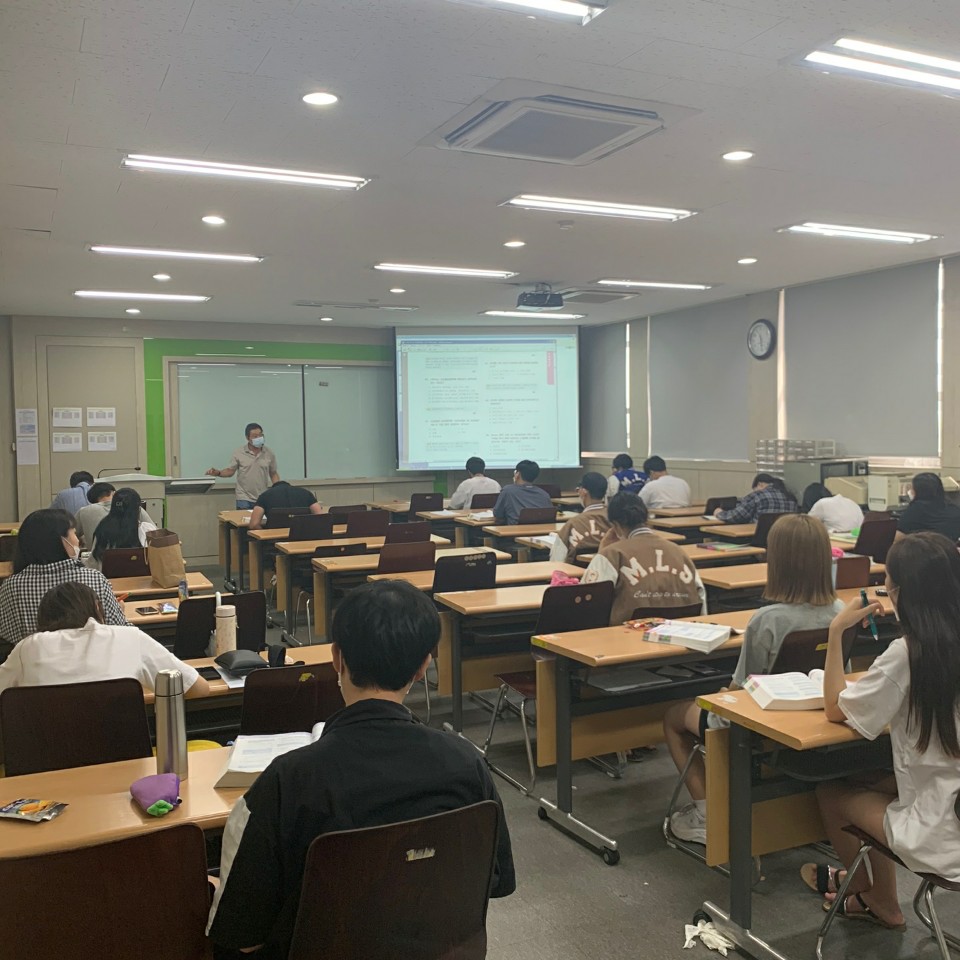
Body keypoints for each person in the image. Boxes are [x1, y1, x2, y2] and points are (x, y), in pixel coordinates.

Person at [207, 580, 516, 958]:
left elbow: (244, 936)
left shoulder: (286, 780)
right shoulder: (467, 765)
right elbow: (495, 883)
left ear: (337, 658)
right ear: (423, 666)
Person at [801, 532, 960, 929]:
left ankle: (874, 898)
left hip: (942, 834)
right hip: (950, 800)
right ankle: (872, 890)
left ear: (898, 592)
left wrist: (836, 632)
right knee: (868, 779)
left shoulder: (909, 653)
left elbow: (835, 708)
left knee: (831, 792)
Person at [664, 514, 843, 844]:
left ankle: (705, 812)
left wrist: (722, 693)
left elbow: (742, 689)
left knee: (674, 717)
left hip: (756, 721)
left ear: (777, 561)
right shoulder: (840, 612)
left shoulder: (767, 620)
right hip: (809, 715)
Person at [0, 582, 209, 698]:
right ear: (98, 608)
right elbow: (198, 688)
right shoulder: (128, 637)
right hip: (126, 758)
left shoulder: (28, 647)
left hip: (44, 759)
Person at [0, 509, 127, 650]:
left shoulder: (11, 587)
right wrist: (119, 611)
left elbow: (8, 636)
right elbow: (118, 629)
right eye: (74, 533)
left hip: (36, 661)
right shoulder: (94, 578)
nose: (78, 540)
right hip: (92, 659)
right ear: (60, 540)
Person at [581, 492, 705, 625]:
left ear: (615, 525)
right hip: (680, 632)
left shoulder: (611, 555)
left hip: (628, 635)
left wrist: (602, 552)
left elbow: (587, 600)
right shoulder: (679, 552)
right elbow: (701, 600)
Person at [206, 423, 280, 509]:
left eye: (260, 435)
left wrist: (279, 489)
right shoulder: (239, 452)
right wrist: (218, 473)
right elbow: (230, 471)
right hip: (243, 497)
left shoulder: (269, 453)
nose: (259, 438)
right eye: (255, 436)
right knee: (243, 518)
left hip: (262, 497)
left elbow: (273, 473)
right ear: (247, 438)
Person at [87, 487, 157, 570]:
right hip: (144, 577)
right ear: (138, 509)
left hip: (107, 577)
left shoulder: (102, 529)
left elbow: (93, 562)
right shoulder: (147, 529)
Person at [550, 472, 611, 564]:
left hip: (575, 572)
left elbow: (556, 561)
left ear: (583, 492)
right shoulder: (616, 522)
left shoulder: (573, 524)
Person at [75, 482, 155, 548]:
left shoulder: (85, 512)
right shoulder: (133, 508)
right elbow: (155, 534)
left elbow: (72, 534)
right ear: (114, 494)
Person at [895, 472, 960, 541]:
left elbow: (898, 538)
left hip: (923, 547)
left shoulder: (915, 511)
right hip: (949, 547)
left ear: (917, 491)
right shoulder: (954, 509)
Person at [714, 473, 798, 524]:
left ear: (760, 484)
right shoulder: (791, 498)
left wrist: (720, 513)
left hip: (757, 538)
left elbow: (737, 516)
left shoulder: (757, 495)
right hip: (781, 539)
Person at [491, 459, 553, 525]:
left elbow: (497, 514)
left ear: (517, 474)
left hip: (515, 530)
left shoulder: (508, 491)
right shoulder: (544, 494)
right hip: (541, 530)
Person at [248, 481, 323, 531]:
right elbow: (321, 517)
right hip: (301, 537)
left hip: (274, 540)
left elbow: (254, 524)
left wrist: (265, 534)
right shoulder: (306, 493)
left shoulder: (265, 495)